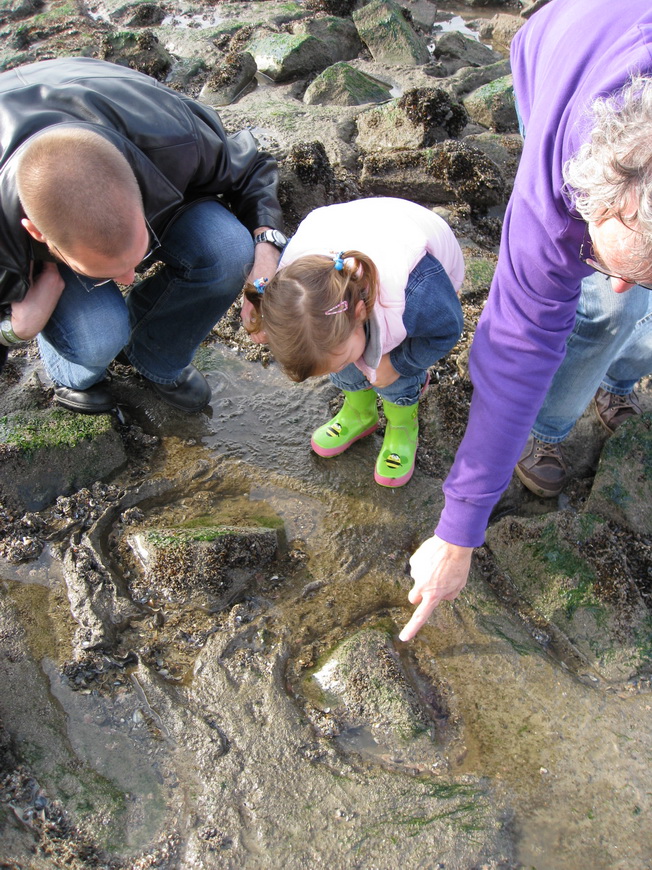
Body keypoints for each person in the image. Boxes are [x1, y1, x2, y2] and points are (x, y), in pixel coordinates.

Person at [399, 0, 652, 642]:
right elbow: (517, 347)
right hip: (562, 41)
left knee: (630, 302)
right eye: (600, 254)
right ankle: (551, 426)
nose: (614, 274)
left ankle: (621, 381)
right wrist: (459, 531)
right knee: (604, 305)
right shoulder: (559, 181)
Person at [0, 57, 286, 414]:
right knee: (100, 336)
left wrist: (267, 247)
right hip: (20, 222)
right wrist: (15, 329)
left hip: (111, 113)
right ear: (37, 234)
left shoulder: (169, 137)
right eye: (106, 271)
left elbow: (251, 167)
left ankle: (154, 352)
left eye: (137, 254)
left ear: (139, 190)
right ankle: (74, 374)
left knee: (229, 251)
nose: (129, 280)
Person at [242, 197, 464, 486]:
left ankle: (402, 425)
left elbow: (448, 329)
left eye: (344, 359)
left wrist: (398, 363)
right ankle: (361, 412)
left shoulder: (414, 295)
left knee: (388, 370)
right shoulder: (293, 290)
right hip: (345, 231)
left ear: (359, 312)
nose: (346, 365)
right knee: (336, 354)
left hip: (418, 252)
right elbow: (320, 336)